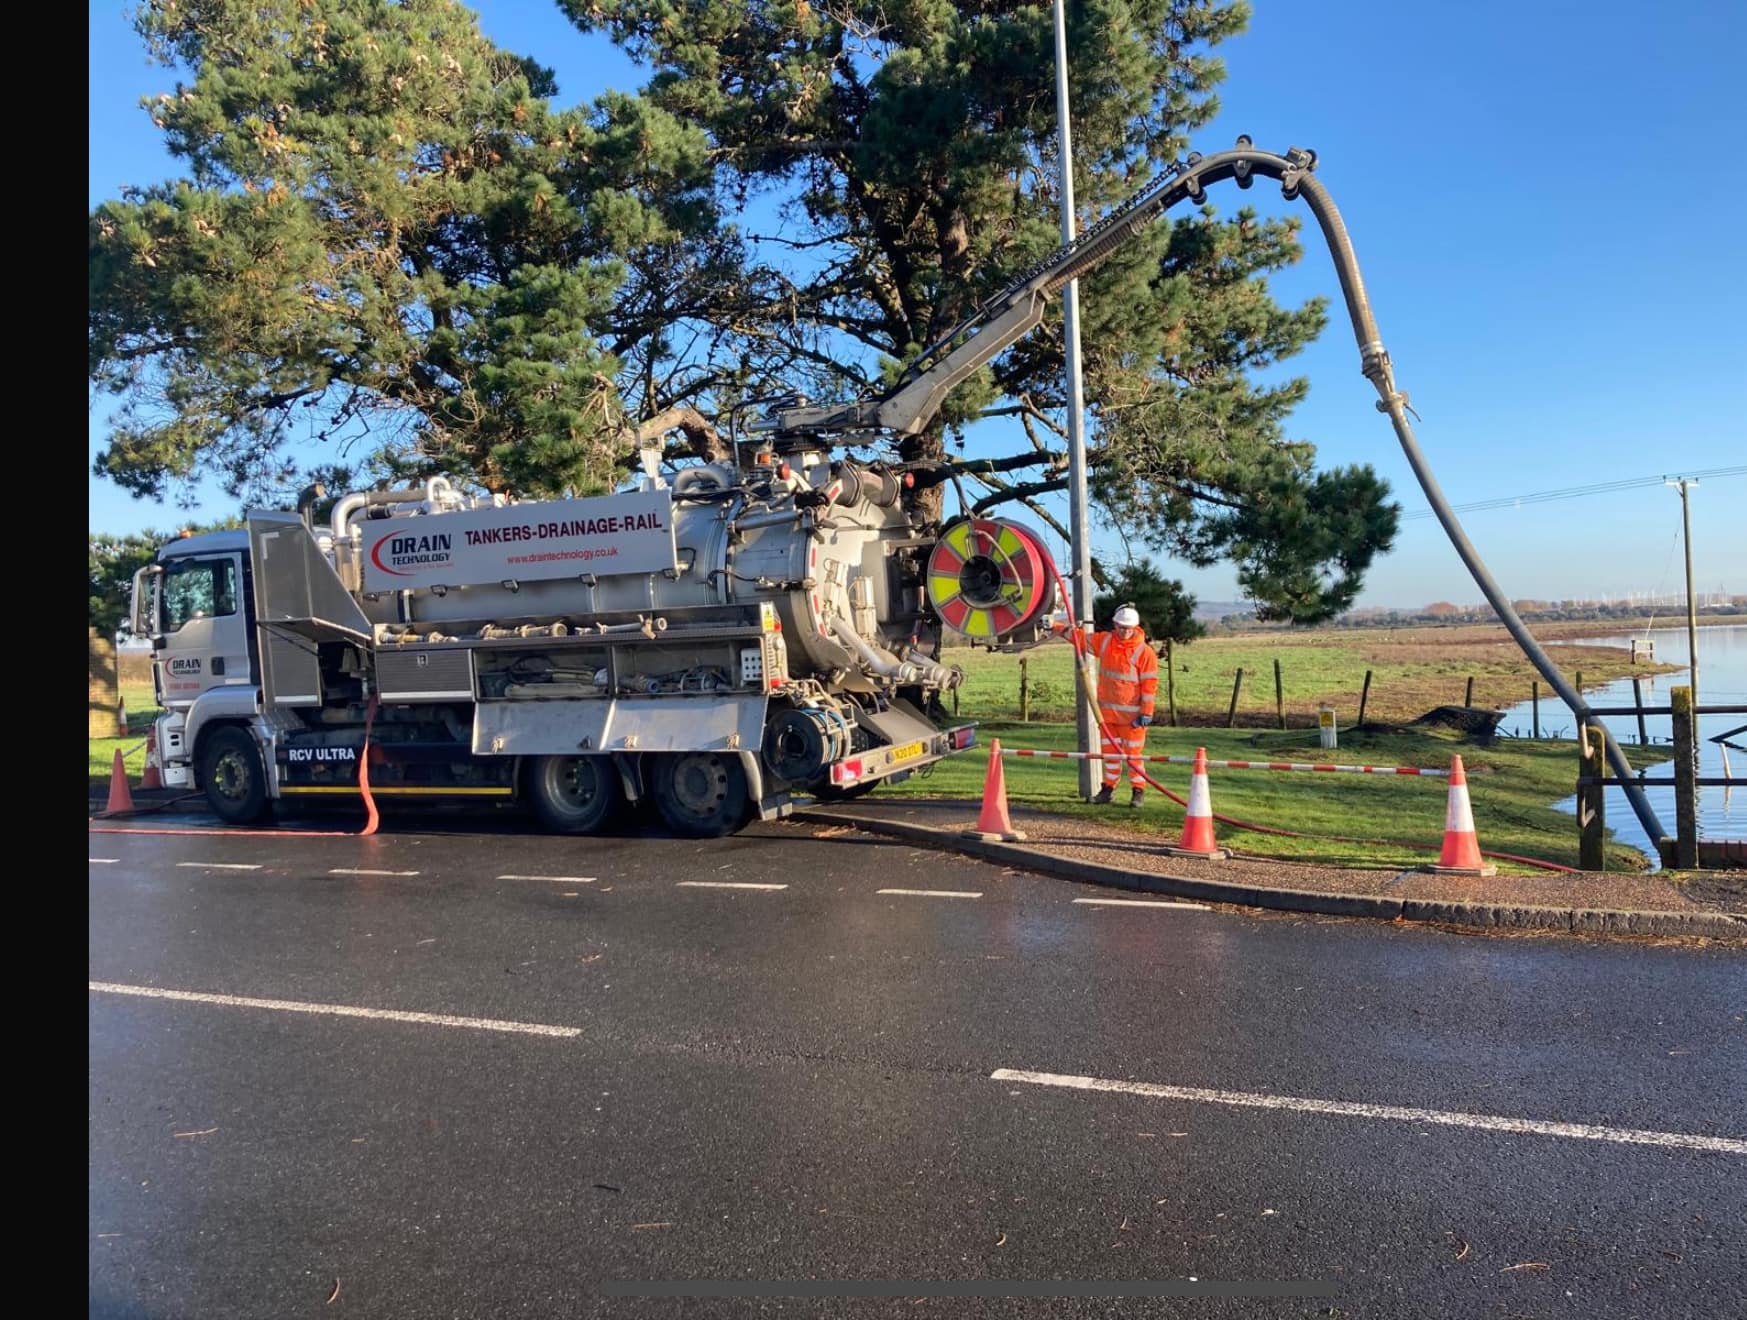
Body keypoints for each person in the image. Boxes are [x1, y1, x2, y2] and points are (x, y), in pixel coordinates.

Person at [1057, 603, 1160, 807]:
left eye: (1128, 628)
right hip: (1107, 715)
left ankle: (1138, 792)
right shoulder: (1105, 642)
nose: (1124, 631)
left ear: (1135, 627)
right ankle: (1107, 790)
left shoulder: (1144, 653)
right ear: (1115, 625)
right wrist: (1056, 627)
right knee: (1110, 756)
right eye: (1121, 627)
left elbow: (1150, 685)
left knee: (1133, 757)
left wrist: (1147, 712)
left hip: (1133, 719)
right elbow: (1080, 639)